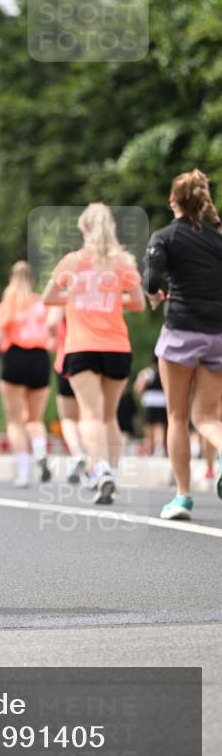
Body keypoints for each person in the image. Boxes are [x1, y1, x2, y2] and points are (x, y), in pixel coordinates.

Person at [42, 204, 146, 503]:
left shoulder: (72, 262)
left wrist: (76, 296)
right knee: (109, 415)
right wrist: (113, 299)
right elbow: (139, 303)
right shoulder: (123, 262)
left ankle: (99, 470)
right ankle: (111, 471)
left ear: (84, 228)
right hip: (116, 347)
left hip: (81, 346)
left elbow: (49, 298)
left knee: (90, 413)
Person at [143, 168, 222, 517]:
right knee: (205, 415)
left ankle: (183, 497)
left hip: (181, 332)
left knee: (177, 416)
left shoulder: (165, 237)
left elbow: (151, 279)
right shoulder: (218, 238)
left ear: (172, 200)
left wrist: (156, 295)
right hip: (218, 334)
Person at [0, 261, 53, 488]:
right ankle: (40, 450)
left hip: (15, 357)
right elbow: (53, 335)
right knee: (34, 418)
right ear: (33, 280)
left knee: (15, 421)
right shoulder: (42, 304)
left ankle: (24, 473)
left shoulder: (8, 305)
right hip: (40, 358)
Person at [47, 307, 86, 483]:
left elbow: (52, 322)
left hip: (68, 356)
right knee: (94, 416)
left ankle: (78, 454)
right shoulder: (103, 286)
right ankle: (99, 467)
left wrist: (55, 337)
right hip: (105, 353)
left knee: (69, 418)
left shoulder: (67, 292)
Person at [134, 355, 167, 456]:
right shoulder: (165, 372)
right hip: (163, 402)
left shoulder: (147, 373)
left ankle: (150, 448)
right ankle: (159, 447)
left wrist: (141, 397)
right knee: (160, 427)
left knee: (149, 427)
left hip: (150, 402)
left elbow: (138, 388)